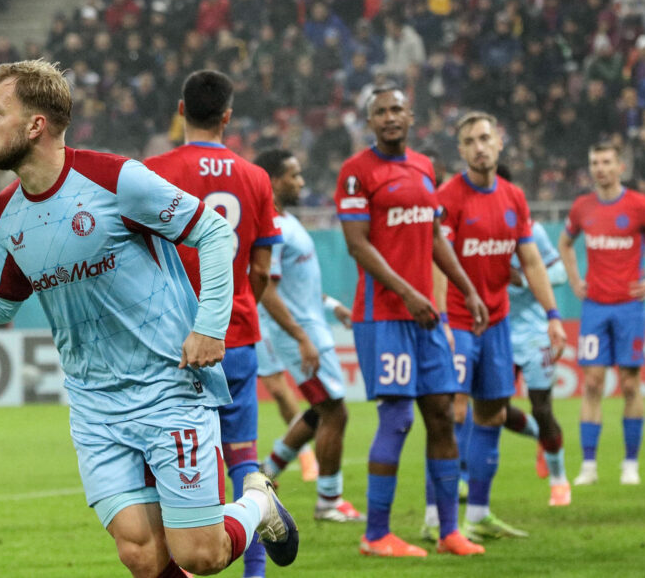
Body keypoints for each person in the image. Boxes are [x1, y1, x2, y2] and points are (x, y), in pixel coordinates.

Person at [0, 60, 299, 577]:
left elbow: (214, 233)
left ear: (35, 125)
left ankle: (258, 502)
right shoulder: (6, 211)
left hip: (167, 386)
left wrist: (210, 326)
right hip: (95, 404)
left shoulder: (116, 178)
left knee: (202, 554)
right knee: (144, 558)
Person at [143, 69, 284, 578]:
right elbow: (265, 268)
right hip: (237, 336)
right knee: (243, 458)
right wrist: (240, 305)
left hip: (169, 343)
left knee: (171, 467)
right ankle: (255, 573)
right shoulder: (256, 177)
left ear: (181, 110)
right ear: (228, 116)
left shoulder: (152, 171)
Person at [336, 86, 487, 558]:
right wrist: (408, 292)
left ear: (411, 115)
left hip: (425, 317)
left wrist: (466, 288)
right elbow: (358, 244)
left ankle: (449, 531)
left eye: (396, 109)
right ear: (370, 122)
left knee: (442, 413)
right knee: (398, 417)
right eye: (379, 111)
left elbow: (436, 236)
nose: (388, 117)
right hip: (384, 315)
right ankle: (376, 534)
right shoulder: (357, 173)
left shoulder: (424, 167)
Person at [429, 111, 567, 542]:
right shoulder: (448, 197)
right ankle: (436, 519)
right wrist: (444, 321)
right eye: (470, 141)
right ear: (462, 150)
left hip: (498, 322)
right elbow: (436, 261)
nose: (479, 146)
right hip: (459, 322)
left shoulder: (514, 197)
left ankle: (480, 515)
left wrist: (553, 316)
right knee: (449, 413)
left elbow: (530, 261)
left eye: (485, 137)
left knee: (492, 413)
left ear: (500, 141)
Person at [252, 148, 363, 523]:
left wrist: (333, 306)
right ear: (274, 180)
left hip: (312, 329)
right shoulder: (273, 227)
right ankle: (329, 502)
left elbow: (300, 287)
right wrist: (301, 338)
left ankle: (264, 474)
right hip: (301, 337)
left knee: (322, 411)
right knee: (336, 411)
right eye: (294, 175)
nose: (302, 181)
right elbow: (266, 289)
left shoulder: (289, 222)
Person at [558, 141, 645, 486]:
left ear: (620, 167)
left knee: (631, 385)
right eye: (594, 162)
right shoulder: (582, 207)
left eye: (605, 162)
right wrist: (574, 278)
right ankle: (589, 466)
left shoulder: (639, 206)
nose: (599, 168)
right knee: (592, 383)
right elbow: (565, 243)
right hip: (594, 308)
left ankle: (630, 464)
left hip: (630, 307)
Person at [502, 163, 573, 507]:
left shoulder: (531, 229)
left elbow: (558, 273)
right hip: (496, 330)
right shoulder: (472, 231)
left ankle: (559, 480)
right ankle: (540, 440)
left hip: (533, 332)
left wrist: (522, 277)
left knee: (542, 408)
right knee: (495, 410)